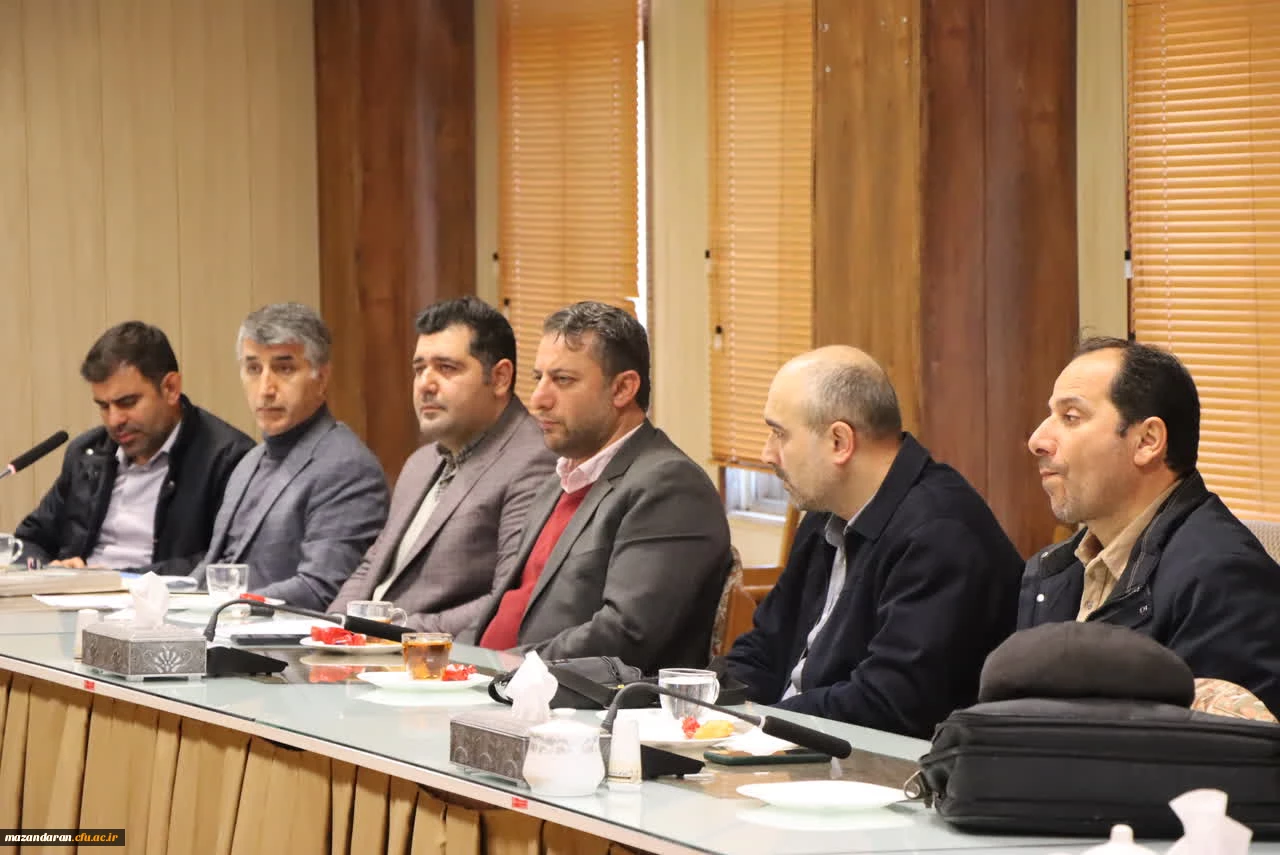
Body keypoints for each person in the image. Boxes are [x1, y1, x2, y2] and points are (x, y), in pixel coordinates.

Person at [725, 347, 1024, 738]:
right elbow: (766, 646)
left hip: (880, 765)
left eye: (779, 434)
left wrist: (756, 726)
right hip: (802, 746)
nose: (767, 453)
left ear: (839, 442)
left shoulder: (941, 534)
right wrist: (707, 707)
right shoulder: (825, 513)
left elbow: (889, 703)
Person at [464, 302, 732, 672]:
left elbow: (625, 636)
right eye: (538, 378)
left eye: (562, 380)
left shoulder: (669, 487)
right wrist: (455, 660)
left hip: (563, 697)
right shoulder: (558, 482)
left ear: (622, 388)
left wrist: (505, 668)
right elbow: (509, 607)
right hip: (486, 683)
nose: (538, 399)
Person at [1019, 336, 1280, 714]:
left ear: (1147, 441)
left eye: (1070, 417)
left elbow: (1226, 748)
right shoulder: (1052, 573)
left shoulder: (1223, 581)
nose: (1038, 440)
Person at [328, 297, 556, 632]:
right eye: (419, 369)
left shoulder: (534, 460)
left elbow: (509, 601)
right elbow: (371, 568)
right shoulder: (420, 463)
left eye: (447, 368)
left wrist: (386, 631)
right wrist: (331, 626)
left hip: (431, 654)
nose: (425, 384)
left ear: (500, 378)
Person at [15, 322, 253, 574]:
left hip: (158, 596)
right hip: (78, 594)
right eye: (104, 406)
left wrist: (118, 579)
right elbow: (27, 542)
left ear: (171, 388)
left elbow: (229, 561)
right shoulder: (87, 453)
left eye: (127, 402)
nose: (114, 420)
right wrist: (48, 570)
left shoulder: (228, 459)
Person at [195, 303, 388, 611]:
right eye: (253, 369)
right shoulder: (248, 462)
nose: (265, 389)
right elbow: (213, 571)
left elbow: (320, 589)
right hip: (220, 626)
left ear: (321, 378)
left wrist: (227, 607)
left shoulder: (347, 468)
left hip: (280, 636)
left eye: (284, 369)